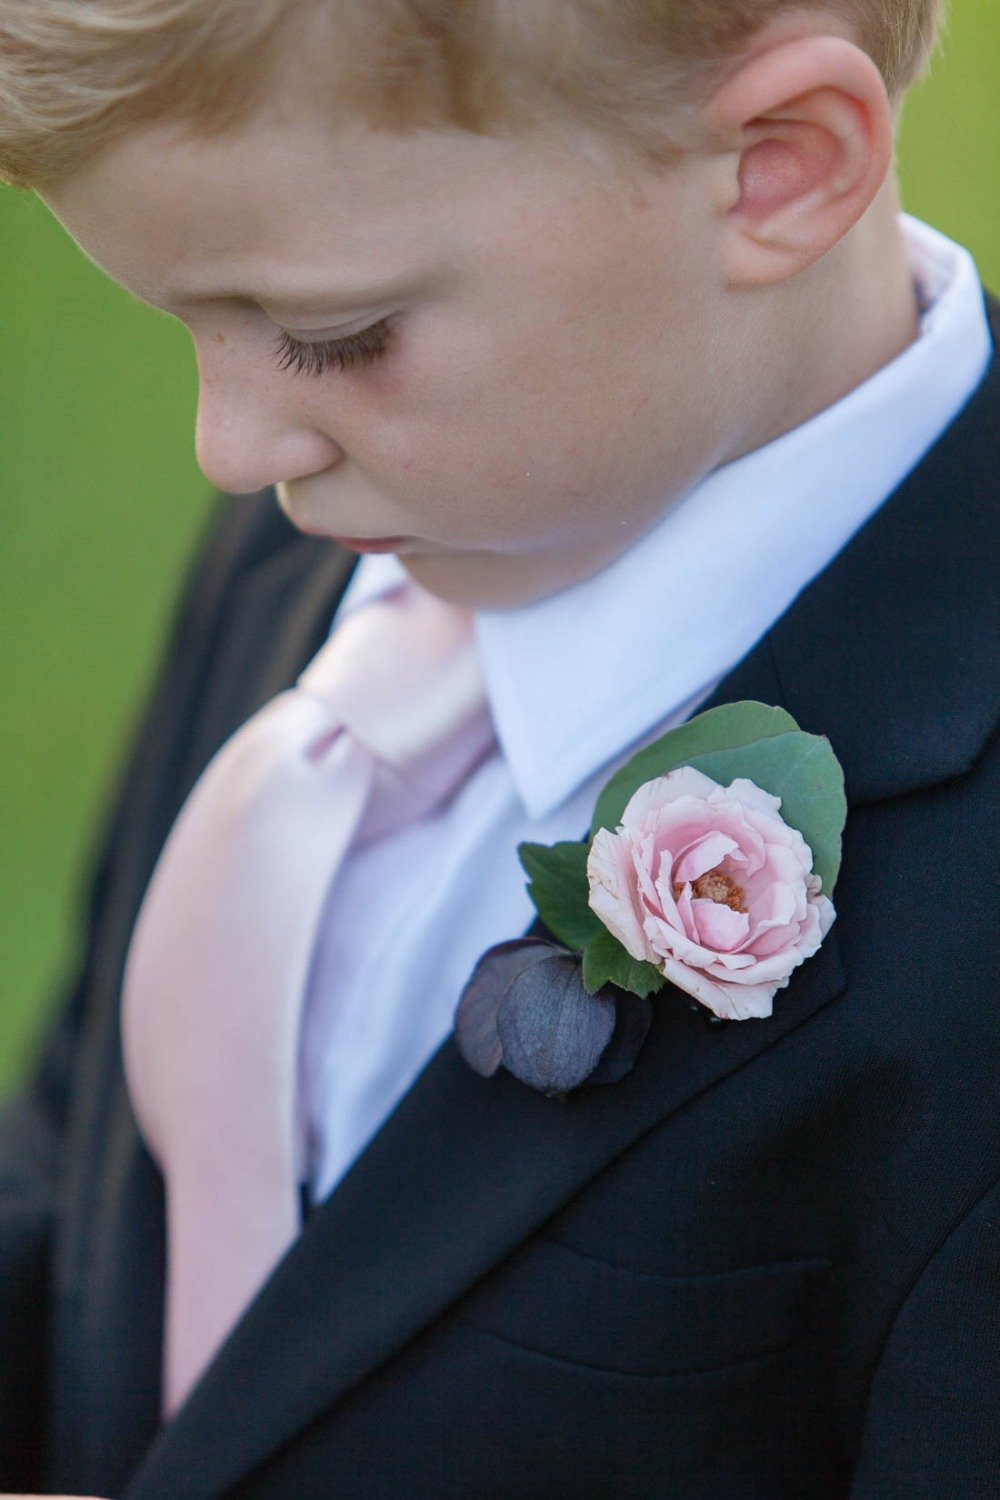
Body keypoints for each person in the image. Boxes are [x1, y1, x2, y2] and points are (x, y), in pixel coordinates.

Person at [0, 0, 996, 1496]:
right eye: (188, 323)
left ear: (778, 169)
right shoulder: (342, 536)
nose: (232, 445)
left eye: (335, 335)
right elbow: (82, 1203)